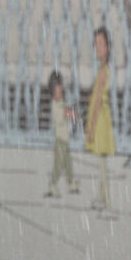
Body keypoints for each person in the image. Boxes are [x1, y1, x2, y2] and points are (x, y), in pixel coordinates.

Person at [85, 27, 115, 211]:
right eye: (96, 44)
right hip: (103, 118)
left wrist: (91, 128)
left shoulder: (103, 72)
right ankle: (103, 198)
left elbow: (97, 102)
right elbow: (98, 96)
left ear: (107, 47)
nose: (97, 48)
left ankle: (106, 200)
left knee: (102, 164)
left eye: (100, 44)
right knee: (102, 163)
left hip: (101, 121)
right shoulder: (103, 71)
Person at [46, 70, 79, 198]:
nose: (61, 92)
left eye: (61, 90)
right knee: (59, 165)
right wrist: (69, 113)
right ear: (53, 91)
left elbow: (65, 112)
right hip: (60, 140)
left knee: (68, 163)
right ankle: (52, 184)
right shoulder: (55, 105)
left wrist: (70, 113)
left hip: (64, 139)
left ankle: (71, 183)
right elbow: (60, 117)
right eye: (58, 90)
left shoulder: (60, 102)